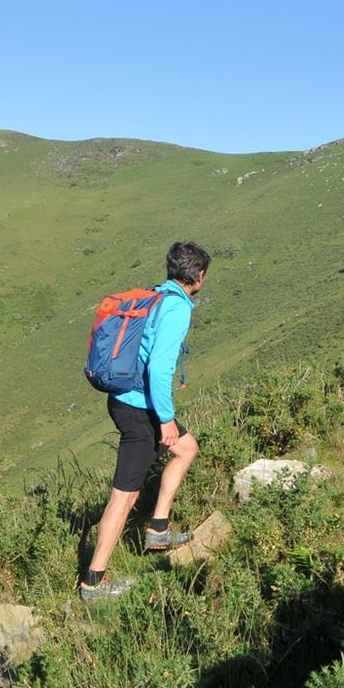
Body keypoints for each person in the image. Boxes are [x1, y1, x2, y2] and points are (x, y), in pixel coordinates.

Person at [79, 241, 210, 601]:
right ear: (199, 276)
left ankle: (158, 529)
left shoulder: (154, 296)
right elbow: (159, 367)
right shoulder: (176, 308)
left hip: (124, 400)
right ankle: (94, 582)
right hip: (141, 411)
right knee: (124, 496)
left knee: (187, 448)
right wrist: (165, 420)